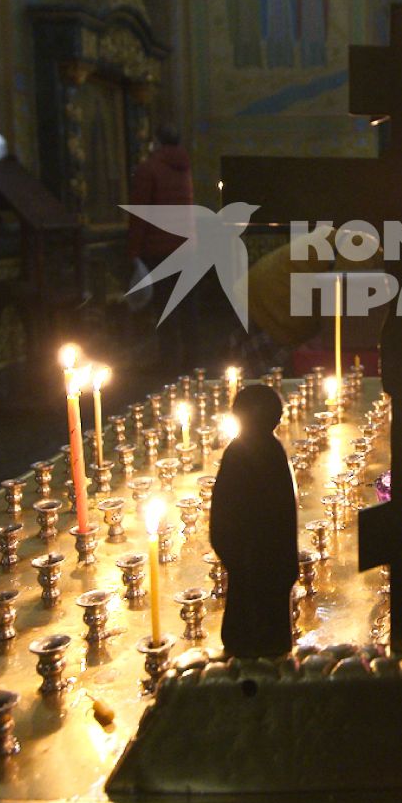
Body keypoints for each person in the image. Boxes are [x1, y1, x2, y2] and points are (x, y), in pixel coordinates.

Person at [208, 385, 300, 657]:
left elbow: (283, 510)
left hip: (259, 556)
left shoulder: (261, 453)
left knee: (260, 614)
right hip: (255, 557)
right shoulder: (253, 453)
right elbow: (226, 508)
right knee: (252, 613)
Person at [127, 127, 197, 366]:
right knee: (187, 305)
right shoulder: (184, 168)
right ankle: (192, 357)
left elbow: (140, 213)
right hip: (186, 246)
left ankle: (167, 361)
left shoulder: (149, 169)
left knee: (165, 306)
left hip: (159, 249)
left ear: (156, 141)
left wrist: (133, 251)